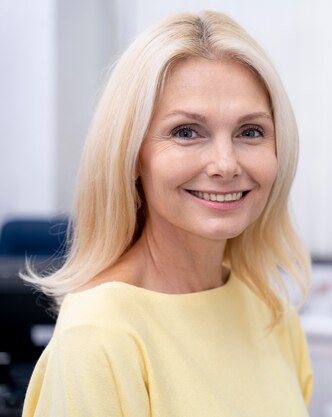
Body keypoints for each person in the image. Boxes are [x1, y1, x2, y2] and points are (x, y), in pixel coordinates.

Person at [21, 11, 313, 417]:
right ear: (133, 154)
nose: (225, 164)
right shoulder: (98, 336)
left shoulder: (271, 311)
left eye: (251, 132)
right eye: (187, 132)